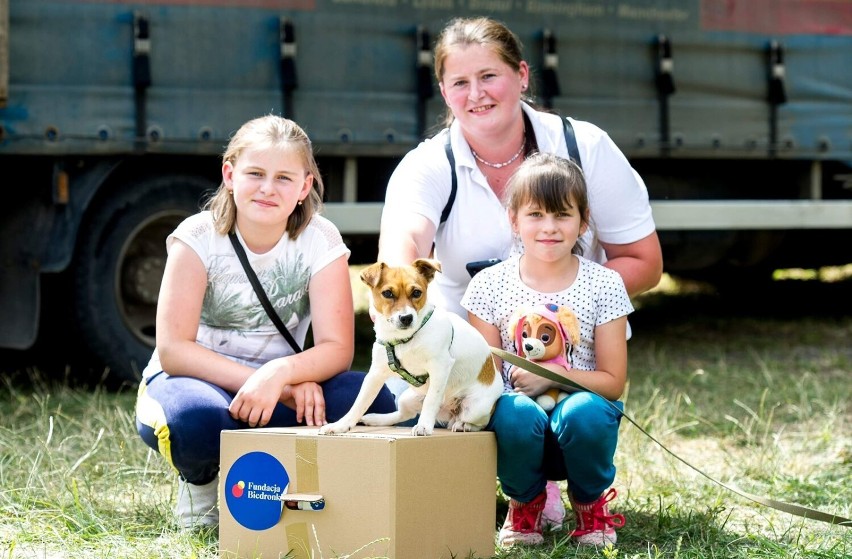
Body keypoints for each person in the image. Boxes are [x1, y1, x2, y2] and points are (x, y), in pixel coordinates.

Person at [378, 15, 661, 531]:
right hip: (476, 348)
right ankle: (528, 492)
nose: (476, 94)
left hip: (576, 346)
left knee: (580, 414)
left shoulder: (586, 147)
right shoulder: (425, 167)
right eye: (459, 82)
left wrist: (560, 297)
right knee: (494, 410)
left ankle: (573, 491)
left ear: (523, 75)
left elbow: (645, 261)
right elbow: (404, 247)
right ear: (443, 90)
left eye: (490, 76)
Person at [135, 115, 395, 530]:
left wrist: (281, 373)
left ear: (304, 187)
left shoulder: (321, 239)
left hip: (280, 389)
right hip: (202, 383)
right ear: (230, 174)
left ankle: (330, 492)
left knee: (375, 402)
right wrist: (278, 384)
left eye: (284, 178)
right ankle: (201, 489)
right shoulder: (196, 237)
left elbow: (337, 348)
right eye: (255, 173)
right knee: (193, 418)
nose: (268, 188)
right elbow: (174, 350)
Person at [462, 152, 632, 547]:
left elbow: (612, 383)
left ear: (583, 219)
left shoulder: (605, 285)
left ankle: (590, 505)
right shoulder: (488, 286)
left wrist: (550, 378)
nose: (549, 228)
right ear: (514, 220)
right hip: (517, 430)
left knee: (587, 410)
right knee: (513, 410)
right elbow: (485, 380)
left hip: (579, 425)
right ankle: (526, 503)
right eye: (536, 214)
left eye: (562, 215)